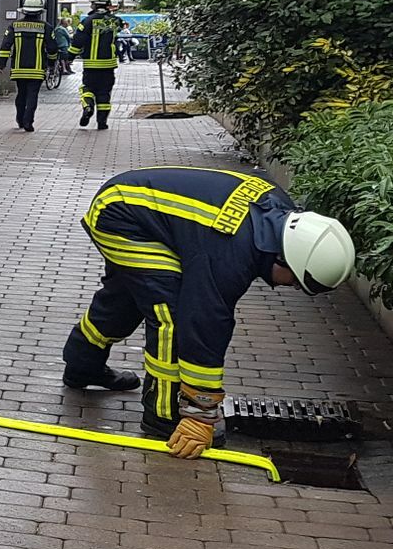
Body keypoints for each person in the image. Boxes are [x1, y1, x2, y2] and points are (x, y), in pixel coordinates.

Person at [59, 166, 355, 457]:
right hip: (120, 216)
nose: (290, 287)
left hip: (132, 205)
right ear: (284, 257)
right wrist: (200, 413)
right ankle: (162, 416)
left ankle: (82, 365)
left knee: (123, 299)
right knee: (170, 314)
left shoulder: (281, 220)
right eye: (295, 281)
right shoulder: (229, 255)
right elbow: (204, 325)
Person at [0, 0, 61, 132]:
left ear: (24, 10)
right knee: (33, 95)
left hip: (18, 69)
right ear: (40, 11)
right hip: (37, 70)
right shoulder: (46, 27)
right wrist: (51, 64)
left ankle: (20, 119)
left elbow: (6, 45)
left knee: (21, 94)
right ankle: (28, 122)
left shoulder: (14, 25)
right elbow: (52, 48)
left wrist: (1, 63)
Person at [72, 0, 122, 129]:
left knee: (87, 88)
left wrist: (70, 56)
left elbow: (78, 40)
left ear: (94, 5)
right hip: (109, 65)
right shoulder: (115, 21)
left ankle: (88, 106)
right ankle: (102, 123)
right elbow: (118, 30)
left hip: (91, 65)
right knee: (104, 93)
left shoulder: (87, 21)